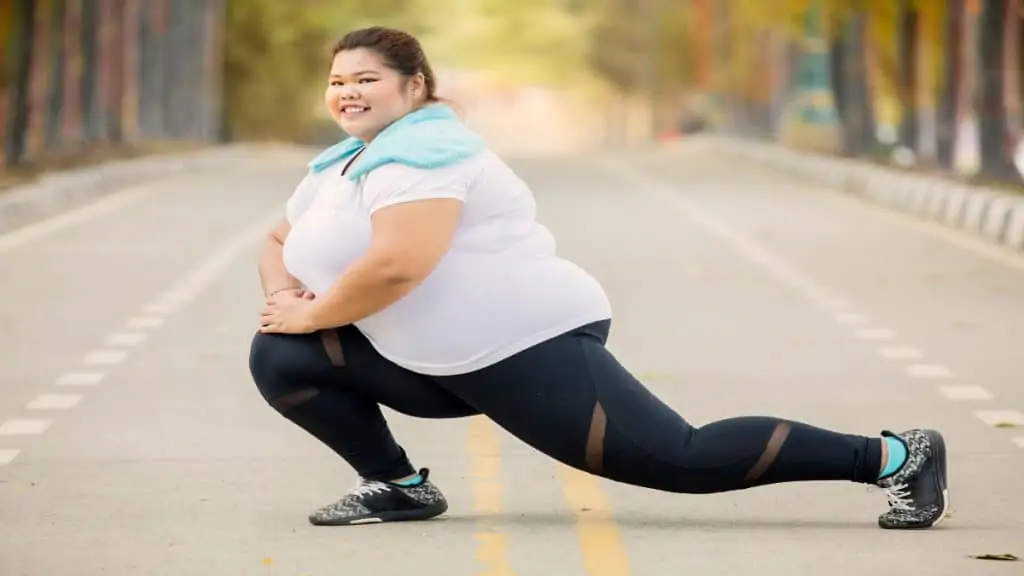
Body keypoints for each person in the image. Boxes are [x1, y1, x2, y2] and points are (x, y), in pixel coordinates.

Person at [248, 25, 949, 530]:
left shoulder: (427, 154)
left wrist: (318, 313)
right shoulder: (343, 162)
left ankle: (892, 457)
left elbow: (399, 263)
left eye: (367, 79)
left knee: (679, 457)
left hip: (518, 341)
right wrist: (285, 298)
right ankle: (397, 486)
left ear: (415, 86)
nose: (348, 92)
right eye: (339, 81)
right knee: (283, 354)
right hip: (426, 356)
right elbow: (280, 238)